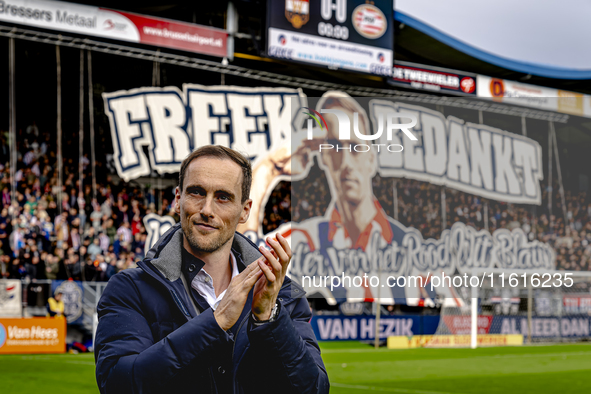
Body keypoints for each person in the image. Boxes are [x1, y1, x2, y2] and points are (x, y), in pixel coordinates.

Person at [94, 145, 329, 394]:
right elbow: (118, 385)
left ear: (245, 210)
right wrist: (216, 321)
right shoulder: (129, 289)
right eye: (196, 192)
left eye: (223, 197)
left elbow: (314, 389)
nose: (207, 210)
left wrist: (268, 319)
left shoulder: (282, 295)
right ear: (178, 199)